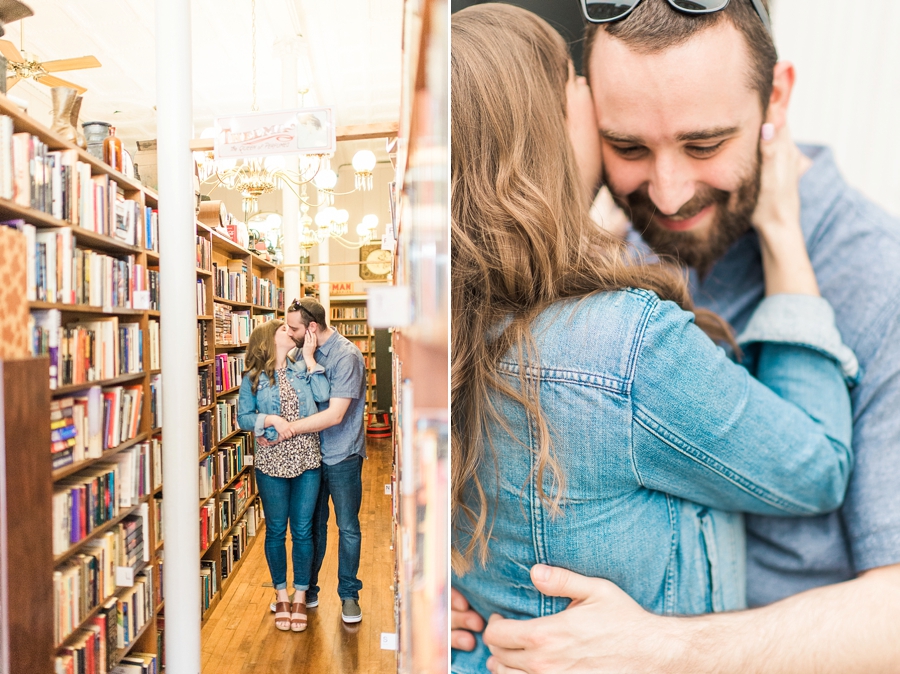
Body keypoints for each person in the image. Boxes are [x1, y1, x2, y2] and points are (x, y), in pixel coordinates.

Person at [453, 1, 900, 672]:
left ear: (775, 98)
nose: (667, 195)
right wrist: (457, 582)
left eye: (705, 144)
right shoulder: (610, 256)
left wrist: (666, 647)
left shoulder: (880, 278)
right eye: (627, 146)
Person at [270, 297, 368, 624]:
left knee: (348, 526)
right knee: (311, 525)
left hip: (342, 456)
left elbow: (335, 414)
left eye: (294, 328)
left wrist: (289, 430)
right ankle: (307, 589)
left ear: (311, 327)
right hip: (310, 457)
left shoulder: (347, 356)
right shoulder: (301, 354)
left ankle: (349, 595)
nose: (290, 332)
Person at [236, 319, 328, 632]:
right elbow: (243, 417)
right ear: (268, 340)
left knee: (302, 530)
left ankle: (300, 595)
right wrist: (269, 418)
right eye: (284, 330)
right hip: (271, 462)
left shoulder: (301, 369)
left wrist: (313, 361)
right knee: (276, 530)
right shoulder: (252, 377)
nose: (291, 333)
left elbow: (324, 395)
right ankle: (280, 595)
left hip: (306, 458)